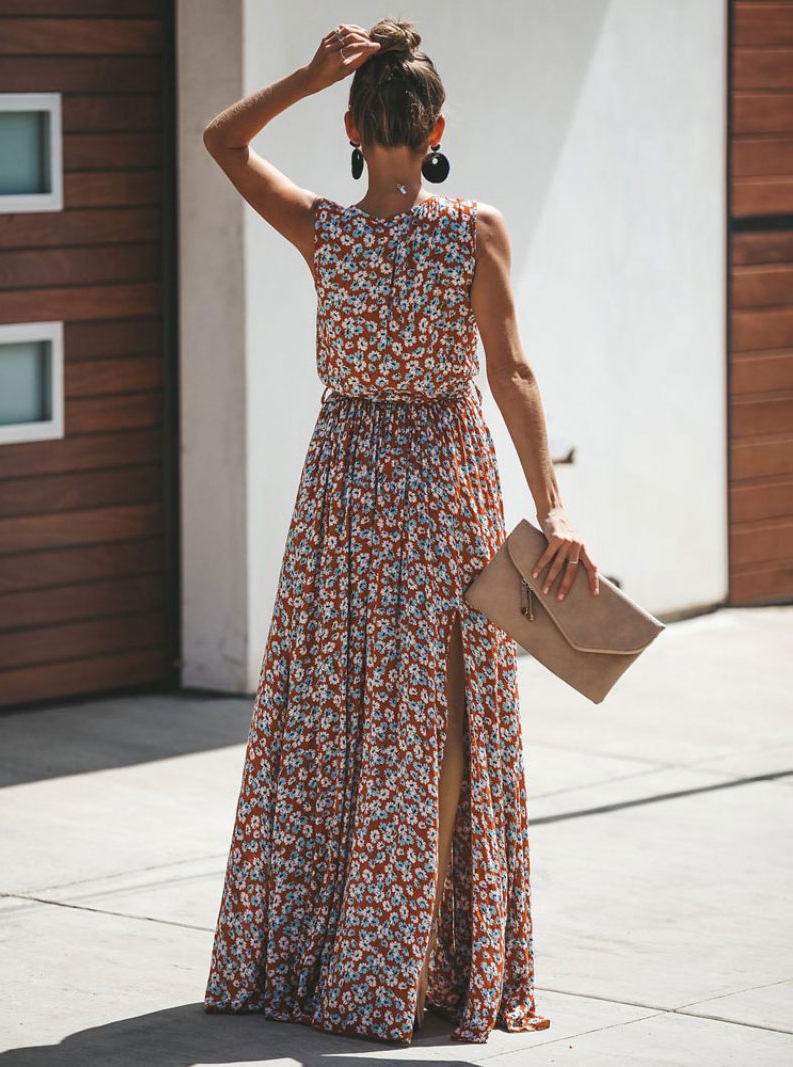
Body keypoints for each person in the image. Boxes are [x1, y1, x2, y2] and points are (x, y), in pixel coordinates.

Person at [201, 17, 599, 1048]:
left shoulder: (323, 229)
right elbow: (509, 372)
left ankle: (342, 954)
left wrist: (301, 72)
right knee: (444, 726)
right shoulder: (470, 230)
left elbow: (223, 141)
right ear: (434, 130)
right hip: (444, 488)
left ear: (350, 125)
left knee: (334, 726)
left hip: (341, 495)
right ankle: (426, 963)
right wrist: (551, 505)